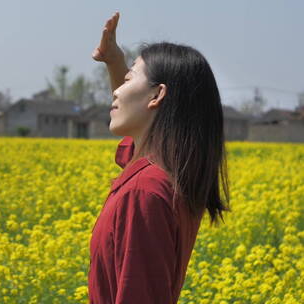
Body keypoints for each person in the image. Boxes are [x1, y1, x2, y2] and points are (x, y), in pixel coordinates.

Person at [88, 12, 231, 303]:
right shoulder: (163, 175)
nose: (116, 92)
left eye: (128, 79)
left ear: (157, 95)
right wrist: (116, 63)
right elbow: (138, 140)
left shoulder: (144, 192)